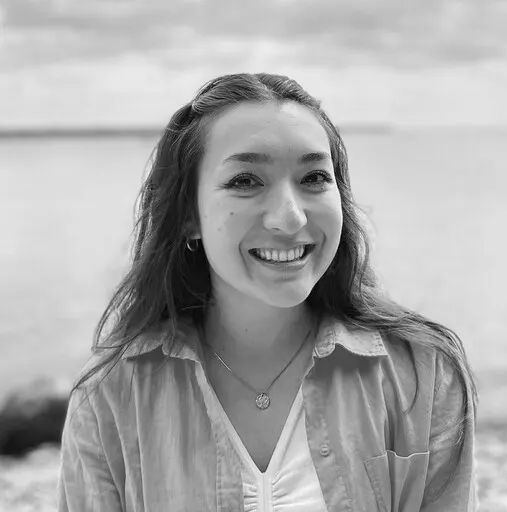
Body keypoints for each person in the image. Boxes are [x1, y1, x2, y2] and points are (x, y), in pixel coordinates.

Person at [57, 73, 478, 511]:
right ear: (188, 216)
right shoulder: (112, 394)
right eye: (245, 181)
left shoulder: (422, 373)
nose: (290, 217)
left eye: (314, 176)